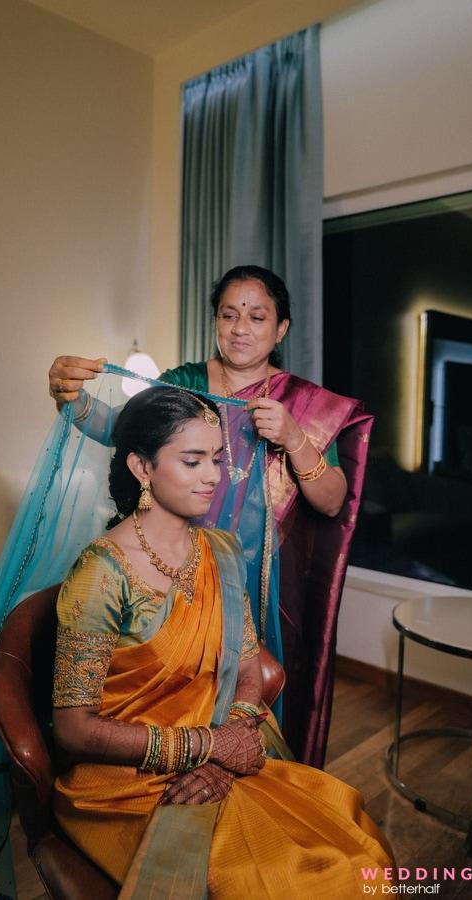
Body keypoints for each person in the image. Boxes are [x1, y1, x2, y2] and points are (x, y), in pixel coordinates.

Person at [52, 385, 392, 898]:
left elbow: (249, 669)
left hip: (223, 755)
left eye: (216, 458)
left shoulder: (221, 550)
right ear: (142, 468)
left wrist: (223, 751)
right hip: (129, 781)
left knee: (353, 855)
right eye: (192, 461)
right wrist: (205, 748)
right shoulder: (101, 573)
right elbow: (73, 729)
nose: (213, 476)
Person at [48, 265, 374, 767]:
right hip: (174, 560)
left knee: (251, 688)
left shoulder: (300, 404)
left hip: (261, 576)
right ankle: (190, 762)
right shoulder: (185, 383)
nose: (241, 328)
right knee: (170, 684)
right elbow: (126, 432)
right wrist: (72, 401)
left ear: (281, 328)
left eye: (257, 316)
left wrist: (292, 437)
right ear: (215, 322)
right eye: (229, 314)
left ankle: (240, 764)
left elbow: (332, 502)